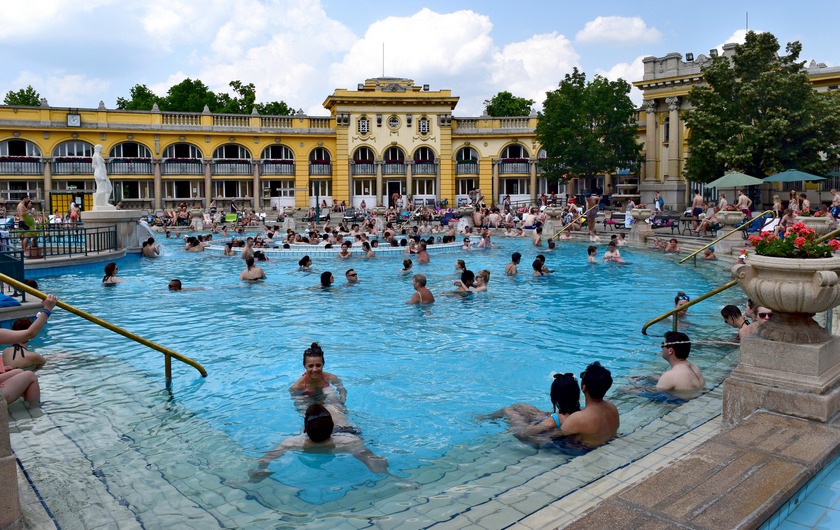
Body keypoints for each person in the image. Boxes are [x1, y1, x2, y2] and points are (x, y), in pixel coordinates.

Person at [248, 404, 388, 482]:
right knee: (332, 406)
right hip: (342, 434)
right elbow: (373, 462)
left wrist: (259, 471)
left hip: (316, 436)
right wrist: (386, 472)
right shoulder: (349, 442)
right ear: (332, 426)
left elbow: (266, 458)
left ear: (304, 430)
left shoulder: (291, 443)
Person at [489, 373, 581, 445]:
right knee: (520, 406)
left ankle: (486, 418)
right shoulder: (581, 411)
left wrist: (532, 423)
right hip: (550, 418)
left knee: (508, 410)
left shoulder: (552, 420)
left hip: (528, 431)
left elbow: (526, 433)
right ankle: (488, 418)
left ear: (555, 396)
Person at [0, 294, 58, 407]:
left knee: (19, 372)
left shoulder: (6, 350)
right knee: (30, 375)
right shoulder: (32, 355)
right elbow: (30, 333)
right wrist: (47, 309)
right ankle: (34, 409)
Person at [555, 361, 619, 449]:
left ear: (584, 387)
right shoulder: (612, 408)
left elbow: (554, 439)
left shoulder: (578, 418)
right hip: (607, 445)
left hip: (586, 451)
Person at [92, 144, 113, 208]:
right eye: (101, 148)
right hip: (101, 174)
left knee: (100, 189)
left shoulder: (94, 156)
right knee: (107, 188)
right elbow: (100, 166)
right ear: (98, 149)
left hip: (97, 173)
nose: (102, 150)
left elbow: (93, 166)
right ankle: (104, 203)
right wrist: (103, 176)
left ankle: (100, 203)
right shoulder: (98, 157)